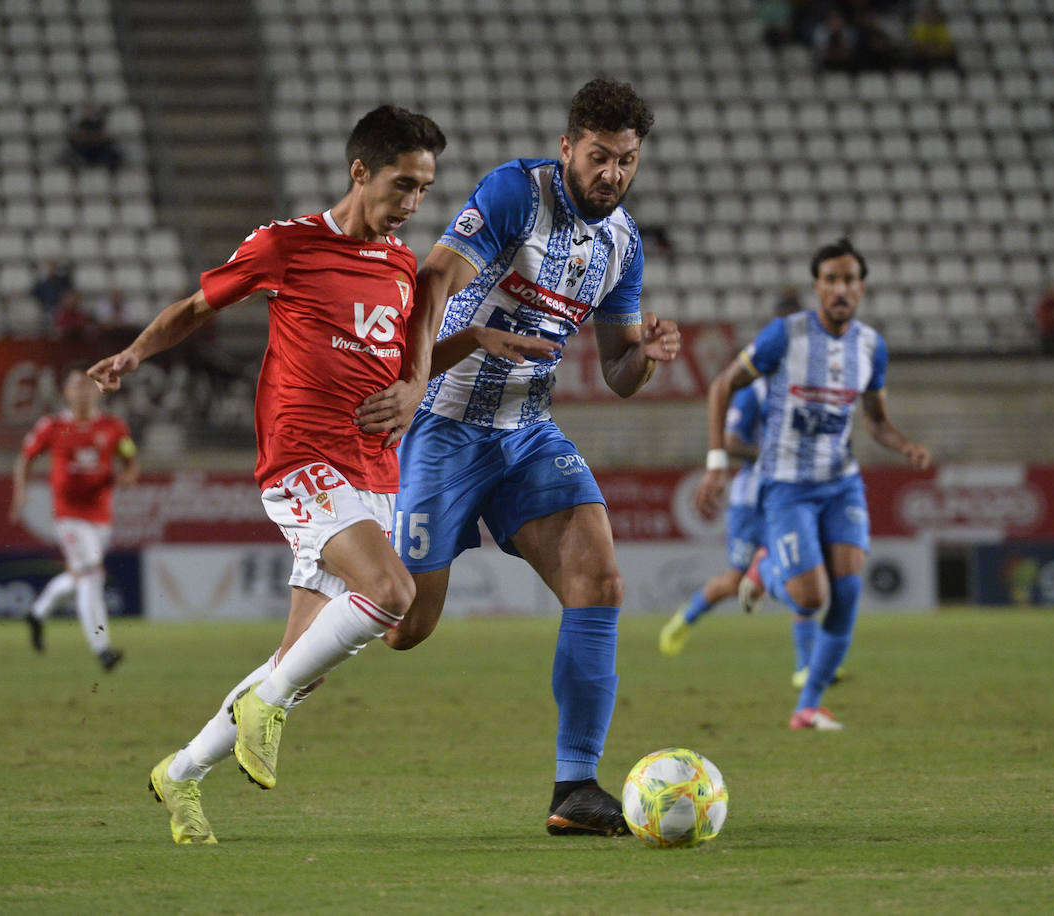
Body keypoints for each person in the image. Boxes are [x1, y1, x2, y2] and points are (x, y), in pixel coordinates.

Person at [89, 106, 489, 845]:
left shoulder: (401, 264)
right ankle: (263, 706)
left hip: (374, 470)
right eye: (403, 184)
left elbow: (407, 366)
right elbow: (197, 305)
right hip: (303, 457)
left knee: (300, 663)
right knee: (392, 592)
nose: (412, 202)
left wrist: (472, 347)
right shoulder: (289, 245)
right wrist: (136, 354)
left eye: (425, 189)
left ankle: (180, 774)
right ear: (359, 171)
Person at [354, 79, 680, 837]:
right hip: (443, 426)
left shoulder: (621, 243)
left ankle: (575, 788)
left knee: (599, 580)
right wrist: (409, 385)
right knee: (406, 626)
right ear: (569, 147)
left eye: (626, 161)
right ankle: (332, 562)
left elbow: (619, 374)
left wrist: (650, 355)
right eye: (600, 157)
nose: (612, 175)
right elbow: (434, 279)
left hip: (528, 430)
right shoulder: (515, 193)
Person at [694, 238, 930, 731]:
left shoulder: (871, 346)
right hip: (786, 486)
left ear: (861, 287)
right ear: (818, 286)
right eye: (832, 280)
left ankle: (809, 705)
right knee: (810, 598)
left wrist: (903, 445)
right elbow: (722, 386)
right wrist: (717, 463)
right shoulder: (787, 335)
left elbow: (876, 419)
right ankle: (765, 573)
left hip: (841, 483)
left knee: (846, 592)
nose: (841, 288)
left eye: (850, 280)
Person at [10, 365, 139, 670]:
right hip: (68, 515)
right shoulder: (51, 427)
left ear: (96, 390)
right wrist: (20, 492)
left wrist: (129, 475)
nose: (80, 391)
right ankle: (102, 648)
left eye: (86, 385)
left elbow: (130, 458)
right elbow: (25, 458)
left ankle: (37, 613)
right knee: (92, 576)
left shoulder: (113, 427)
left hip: (100, 515)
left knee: (80, 576)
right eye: (74, 386)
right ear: (66, 393)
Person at [659, 378, 768, 657]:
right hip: (753, 500)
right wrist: (774, 456)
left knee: (805, 572)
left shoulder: (810, 386)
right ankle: (685, 618)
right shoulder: (756, 390)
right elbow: (730, 442)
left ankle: (810, 669)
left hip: (792, 497)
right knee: (734, 582)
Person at [66, 103, 123, 172]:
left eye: (94, 131)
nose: (91, 135)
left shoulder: (109, 152)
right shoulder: (74, 151)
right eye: (87, 132)